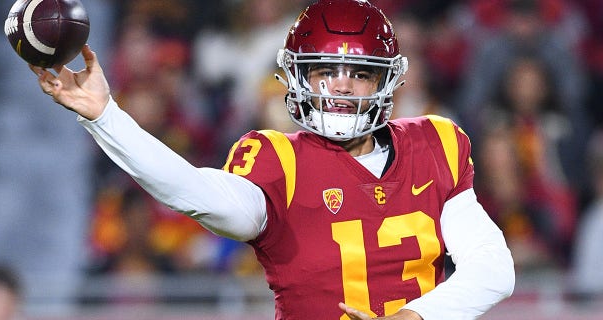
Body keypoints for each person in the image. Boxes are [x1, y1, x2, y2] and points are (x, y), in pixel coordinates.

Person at [30, 0, 515, 319]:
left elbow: (493, 269)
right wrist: (105, 116)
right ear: (298, 78)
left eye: (359, 73)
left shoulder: (436, 144)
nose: (341, 85)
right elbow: (194, 192)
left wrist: (413, 318)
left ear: (385, 82)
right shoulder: (277, 160)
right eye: (325, 70)